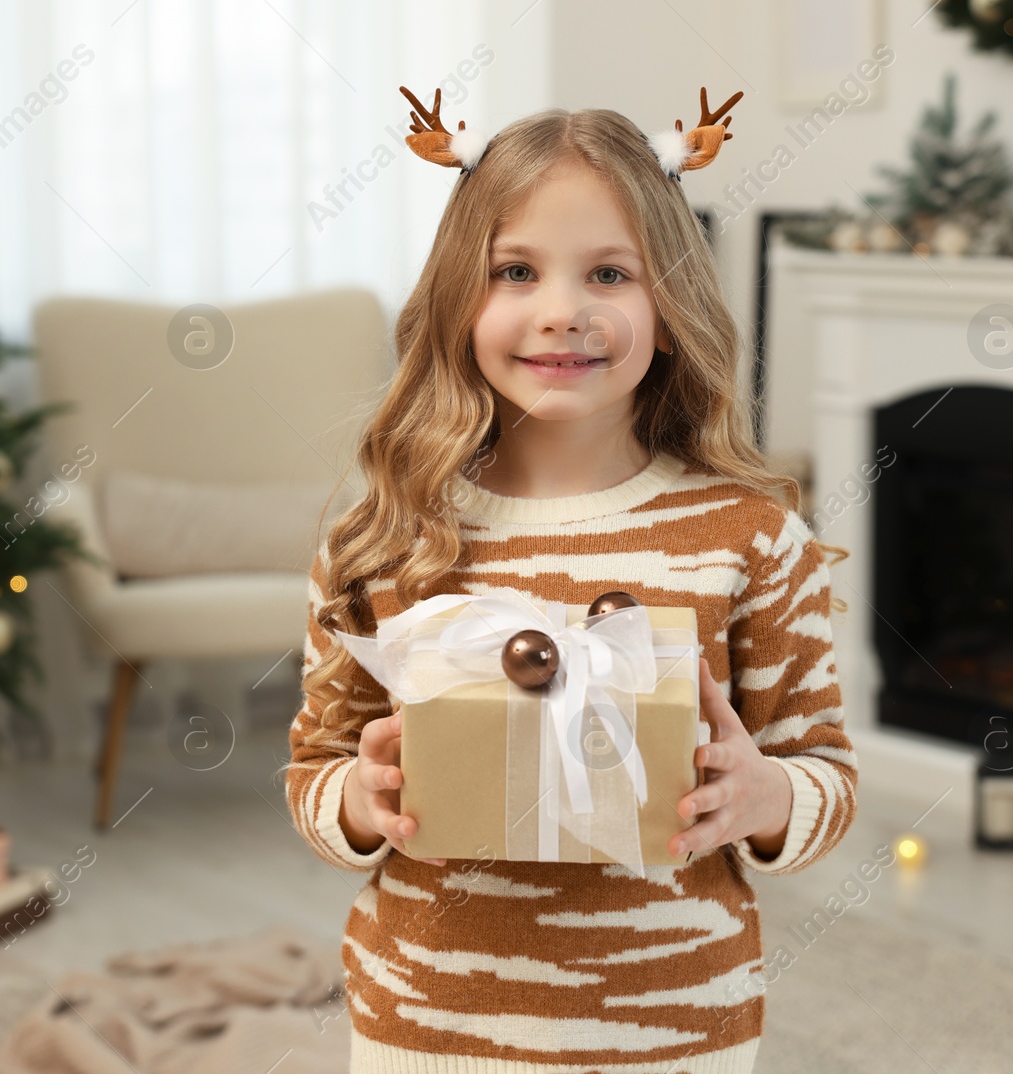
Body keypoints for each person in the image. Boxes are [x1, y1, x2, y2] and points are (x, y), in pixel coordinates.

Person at [280, 85, 857, 1073]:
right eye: (514, 271)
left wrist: (761, 799)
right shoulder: (381, 540)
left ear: (669, 308)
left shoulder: (752, 536)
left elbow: (824, 775)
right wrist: (361, 803)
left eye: (608, 274)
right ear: (462, 298)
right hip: (427, 1026)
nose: (562, 312)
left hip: (676, 1028)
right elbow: (313, 772)